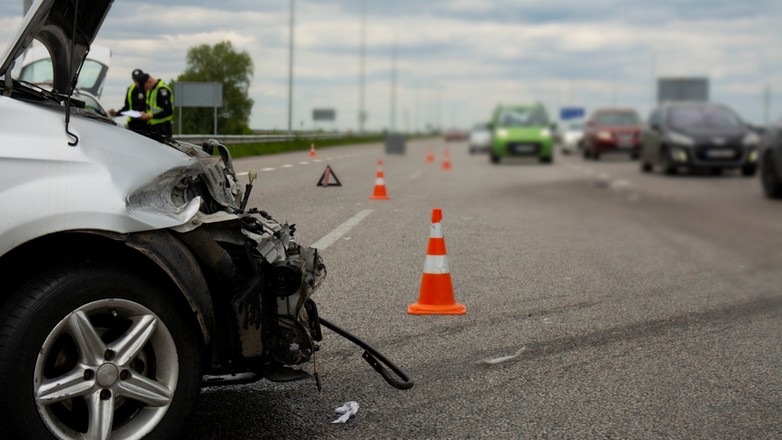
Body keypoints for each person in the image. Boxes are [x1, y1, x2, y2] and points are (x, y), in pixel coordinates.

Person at [108, 69, 147, 133]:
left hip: (147, 125)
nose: (137, 81)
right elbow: (127, 107)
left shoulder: (149, 89)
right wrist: (116, 113)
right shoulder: (130, 90)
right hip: (133, 124)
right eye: (135, 79)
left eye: (139, 78)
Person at [138, 72, 174, 140]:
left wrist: (151, 116)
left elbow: (168, 111)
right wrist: (145, 113)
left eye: (145, 87)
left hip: (163, 128)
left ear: (149, 81)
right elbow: (152, 109)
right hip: (154, 128)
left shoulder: (162, 90)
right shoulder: (152, 90)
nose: (145, 89)